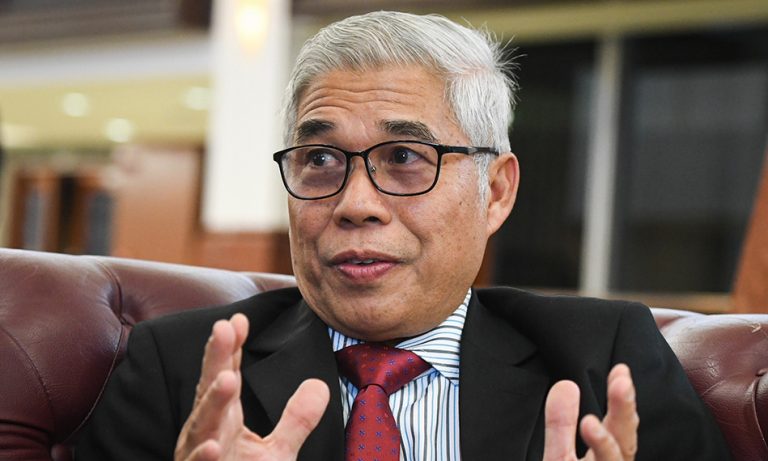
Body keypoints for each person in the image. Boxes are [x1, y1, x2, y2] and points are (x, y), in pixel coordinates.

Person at [76, 11, 731, 461]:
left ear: (496, 192)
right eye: (320, 159)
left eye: (405, 157)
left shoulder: (604, 362)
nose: (355, 204)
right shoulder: (182, 371)